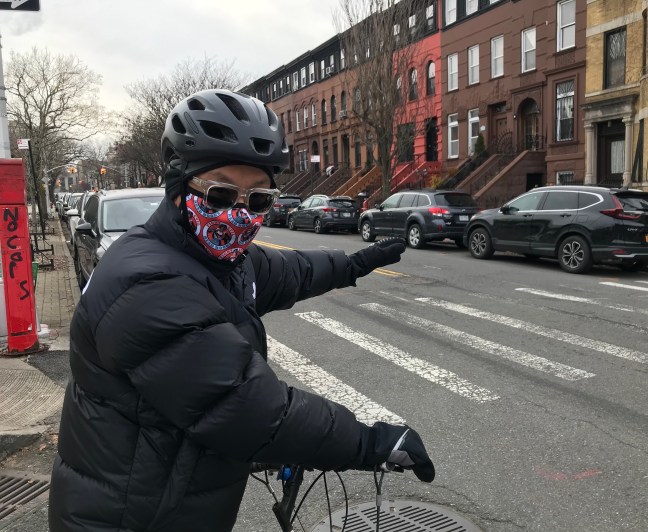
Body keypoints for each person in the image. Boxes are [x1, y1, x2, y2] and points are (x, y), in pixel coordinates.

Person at [48, 89, 434, 532]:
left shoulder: (217, 257)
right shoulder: (147, 283)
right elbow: (248, 409)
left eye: (258, 200)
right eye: (219, 194)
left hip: (171, 500)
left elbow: (289, 271)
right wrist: (370, 443)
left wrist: (353, 265)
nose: (238, 214)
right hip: (127, 519)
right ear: (178, 187)